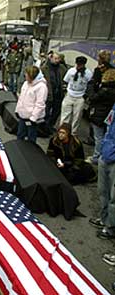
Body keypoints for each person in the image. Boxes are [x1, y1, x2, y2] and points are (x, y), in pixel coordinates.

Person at [89, 105, 115, 239]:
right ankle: (104, 219)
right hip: (105, 155)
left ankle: (111, 228)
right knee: (103, 191)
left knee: (113, 198)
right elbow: (108, 127)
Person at [88, 69, 115, 165]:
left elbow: (92, 97)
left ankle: (96, 157)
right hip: (108, 116)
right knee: (105, 136)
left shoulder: (105, 90)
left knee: (98, 137)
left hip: (99, 115)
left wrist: (91, 85)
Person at [60, 56, 93, 135]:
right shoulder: (71, 71)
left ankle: (73, 133)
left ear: (84, 64)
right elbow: (65, 81)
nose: (79, 66)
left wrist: (85, 96)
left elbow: (90, 85)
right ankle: (62, 131)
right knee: (65, 115)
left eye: (81, 65)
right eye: (78, 64)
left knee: (77, 117)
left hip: (80, 97)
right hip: (69, 95)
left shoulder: (88, 73)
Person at [15, 66, 48, 143]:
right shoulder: (26, 83)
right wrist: (17, 110)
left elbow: (40, 104)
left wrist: (33, 118)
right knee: (20, 135)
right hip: (23, 115)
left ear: (31, 76)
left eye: (26, 75)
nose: (25, 76)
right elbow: (21, 98)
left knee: (31, 138)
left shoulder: (41, 87)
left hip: (32, 118)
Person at [41, 52, 68, 134]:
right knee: (46, 112)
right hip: (49, 94)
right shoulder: (44, 68)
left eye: (58, 59)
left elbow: (66, 79)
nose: (57, 60)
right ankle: (44, 127)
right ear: (51, 58)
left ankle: (50, 125)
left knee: (56, 112)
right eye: (55, 58)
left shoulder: (62, 68)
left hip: (58, 94)